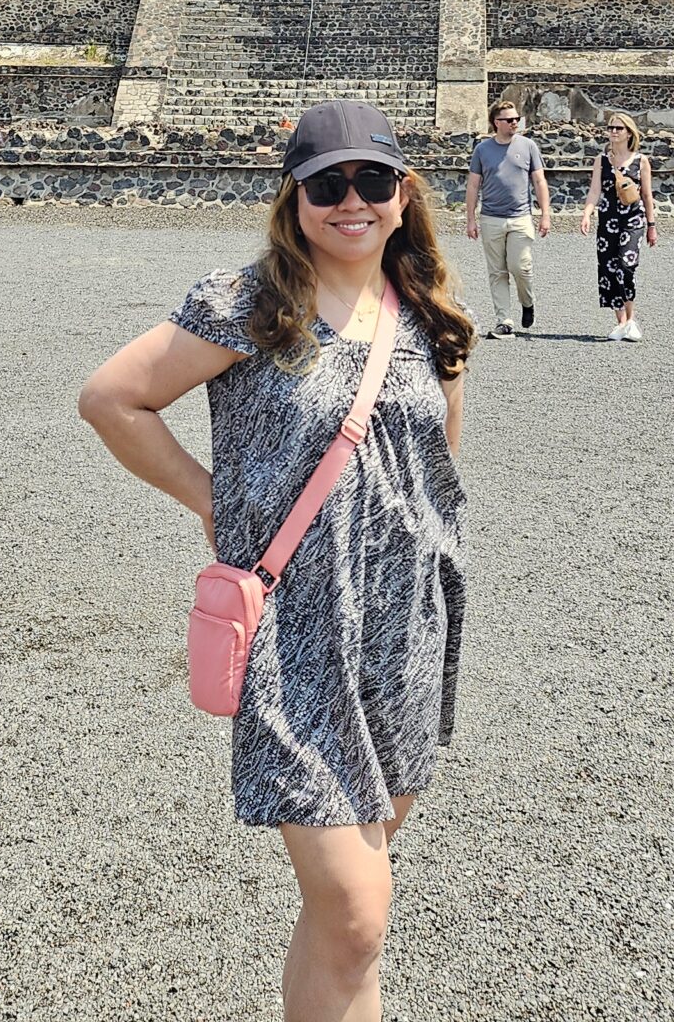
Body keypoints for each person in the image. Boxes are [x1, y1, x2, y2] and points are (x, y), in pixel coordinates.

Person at [76, 101, 474, 1022]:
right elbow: (112, 400)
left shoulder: (432, 319)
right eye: (326, 184)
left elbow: (439, 468)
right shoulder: (251, 307)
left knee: (340, 920)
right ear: (293, 198)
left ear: (403, 193)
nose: (351, 201)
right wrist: (214, 500)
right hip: (296, 637)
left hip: (404, 632)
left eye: (372, 181)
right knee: (358, 912)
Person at [462, 102, 551, 337]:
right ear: (496, 123)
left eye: (516, 119)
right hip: (491, 218)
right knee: (497, 271)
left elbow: (540, 181)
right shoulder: (482, 150)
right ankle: (504, 320)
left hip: (520, 217)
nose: (515, 123)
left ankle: (527, 302)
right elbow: (473, 185)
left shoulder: (528, 146)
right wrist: (470, 219)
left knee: (520, 267)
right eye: (509, 119)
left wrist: (545, 214)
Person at [581, 110, 657, 340]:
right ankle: (621, 321)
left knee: (626, 265)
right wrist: (587, 214)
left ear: (628, 132)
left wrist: (652, 225)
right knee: (608, 268)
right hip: (608, 218)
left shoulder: (641, 161)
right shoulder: (601, 161)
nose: (613, 132)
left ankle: (631, 318)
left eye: (618, 128)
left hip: (633, 218)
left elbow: (647, 194)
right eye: (610, 128)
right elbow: (595, 191)